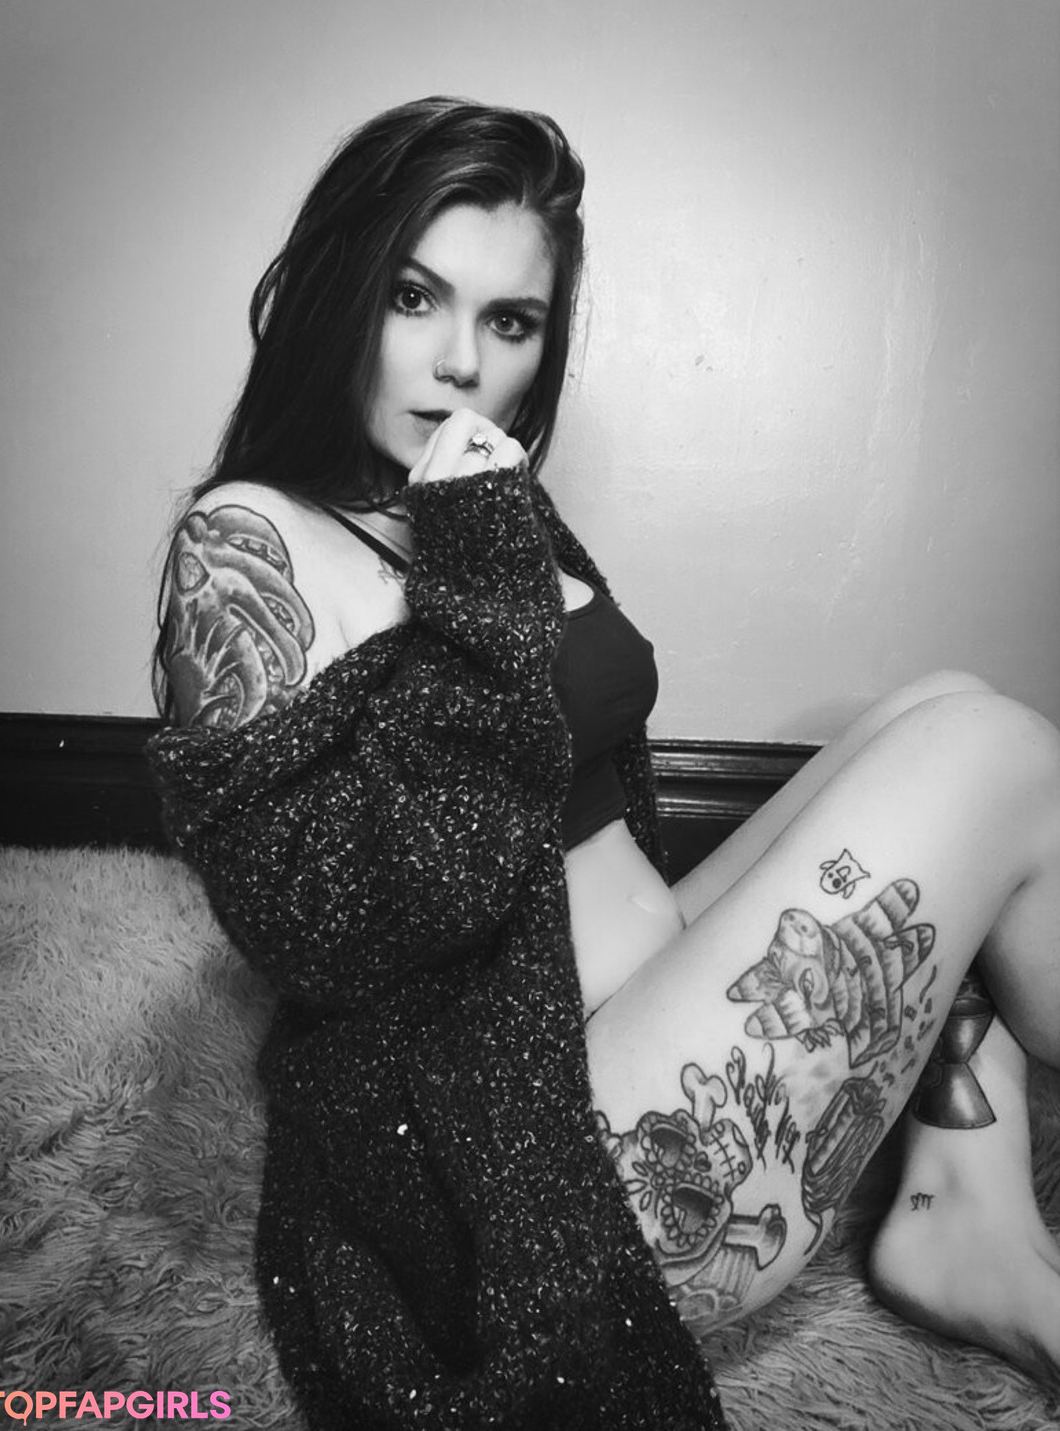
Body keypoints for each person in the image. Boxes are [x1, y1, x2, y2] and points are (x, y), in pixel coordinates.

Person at [148, 96, 1060, 1429]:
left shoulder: (456, 497)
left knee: (943, 706)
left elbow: (568, 788)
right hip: (532, 1153)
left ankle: (969, 1213)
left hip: (613, 1007)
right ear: (341, 291)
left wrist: (480, 538)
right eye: (415, 297)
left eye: (511, 322)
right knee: (995, 755)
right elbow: (325, 931)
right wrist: (479, 559)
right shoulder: (251, 539)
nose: (462, 362)